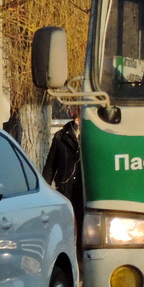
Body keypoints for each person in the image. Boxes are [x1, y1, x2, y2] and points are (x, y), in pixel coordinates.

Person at [43, 108, 84, 252]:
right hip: (65, 190)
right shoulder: (61, 136)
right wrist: (45, 190)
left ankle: (80, 255)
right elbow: (51, 165)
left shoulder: (91, 137)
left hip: (84, 192)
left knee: (83, 226)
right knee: (66, 226)